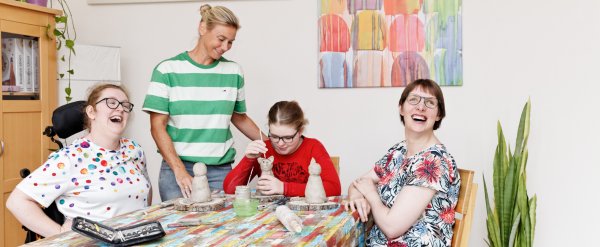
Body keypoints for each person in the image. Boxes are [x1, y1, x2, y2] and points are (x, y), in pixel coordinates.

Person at [142, 4, 264, 201]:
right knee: (179, 229)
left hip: (220, 171)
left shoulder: (233, 72)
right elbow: (157, 127)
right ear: (202, 28)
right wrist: (179, 170)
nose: (225, 47)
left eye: (230, 42)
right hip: (178, 171)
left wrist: (272, 146)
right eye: (221, 39)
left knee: (224, 229)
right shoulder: (167, 70)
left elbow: (239, 117)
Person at [6, 83, 151, 238]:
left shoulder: (134, 150)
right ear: (91, 112)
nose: (121, 108)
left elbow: (145, 192)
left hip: (137, 238)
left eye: (125, 105)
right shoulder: (69, 159)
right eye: (112, 102)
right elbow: (17, 201)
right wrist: (60, 235)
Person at [344, 79, 460, 246]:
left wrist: (370, 195)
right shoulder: (399, 150)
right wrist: (356, 196)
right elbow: (358, 183)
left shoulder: (433, 161)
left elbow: (392, 228)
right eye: (413, 100)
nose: (421, 107)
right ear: (401, 108)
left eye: (430, 103)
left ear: (439, 114)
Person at [223, 101, 341, 197]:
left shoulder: (313, 147)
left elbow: (334, 189)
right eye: (274, 136)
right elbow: (229, 190)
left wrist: (284, 188)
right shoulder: (264, 149)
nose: (280, 143)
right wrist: (248, 159)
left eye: (288, 137)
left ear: (300, 131)